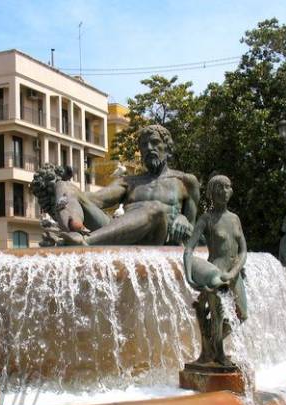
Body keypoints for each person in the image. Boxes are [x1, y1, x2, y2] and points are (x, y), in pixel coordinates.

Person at [34, 124, 200, 246]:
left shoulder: (185, 181)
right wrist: (58, 192)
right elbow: (93, 200)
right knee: (65, 187)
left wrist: (184, 218)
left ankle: (85, 241)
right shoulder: (129, 182)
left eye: (155, 143)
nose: (149, 148)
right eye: (143, 145)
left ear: (168, 148)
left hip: (154, 239)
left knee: (155, 208)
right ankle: (74, 231)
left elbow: (191, 232)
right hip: (119, 234)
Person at [183, 174, 247, 366]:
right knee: (218, 317)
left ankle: (210, 346)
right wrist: (190, 277)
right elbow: (188, 249)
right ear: (211, 193)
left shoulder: (235, 219)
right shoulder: (206, 218)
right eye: (219, 188)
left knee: (242, 315)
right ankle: (218, 354)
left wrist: (234, 272)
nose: (224, 192)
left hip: (234, 274)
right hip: (215, 274)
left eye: (227, 187)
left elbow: (243, 250)